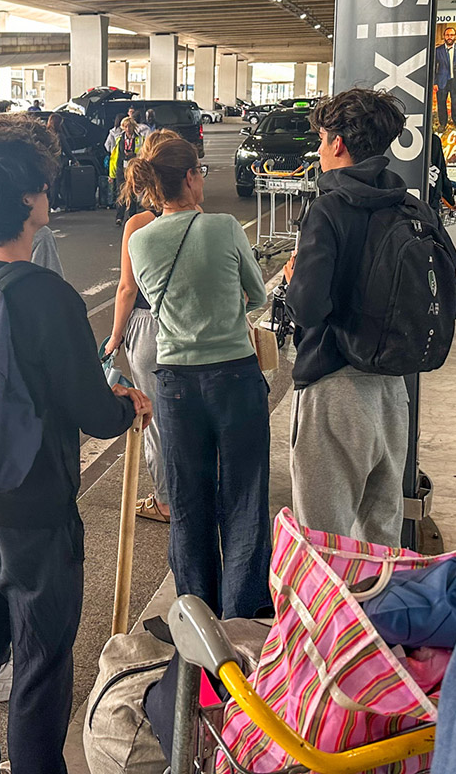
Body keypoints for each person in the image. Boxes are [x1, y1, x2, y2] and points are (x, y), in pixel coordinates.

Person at [0, 118, 151, 774]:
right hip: (31, 507)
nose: (50, 197)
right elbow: (89, 407)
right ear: (26, 199)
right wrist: (124, 406)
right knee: (41, 660)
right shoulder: (44, 297)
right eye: (44, 187)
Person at [284, 89, 456, 544]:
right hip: (392, 392)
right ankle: (378, 616)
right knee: (380, 541)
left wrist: (293, 278)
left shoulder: (329, 210)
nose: (321, 149)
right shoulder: (414, 208)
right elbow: (452, 295)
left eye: (323, 139)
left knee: (321, 541)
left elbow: (308, 309)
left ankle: (328, 619)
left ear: (339, 144)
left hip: (333, 388)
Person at [126, 130, 271, 619]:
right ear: (190, 177)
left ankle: (197, 615)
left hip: (174, 383)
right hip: (234, 374)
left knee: (189, 500)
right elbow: (258, 296)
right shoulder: (225, 227)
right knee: (244, 495)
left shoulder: (140, 240)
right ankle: (242, 614)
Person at [103, 185, 169, 522]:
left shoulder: (138, 223)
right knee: (185, 416)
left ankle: (165, 501)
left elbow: (128, 287)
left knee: (154, 419)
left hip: (147, 328)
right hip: (184, 327)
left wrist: (115, 336)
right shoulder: (199, 220)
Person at [109, 117, 147, 226]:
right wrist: (112, 174)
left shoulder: (139, 139)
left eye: (129, 126)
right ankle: (119, 217)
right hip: (122, 169)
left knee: (132, 192)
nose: (127, 128)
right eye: (125, 126)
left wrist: (133, 155)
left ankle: (132, 215)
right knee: (120, 192)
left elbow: (143, 154)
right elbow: (114, 157)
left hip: (133, 168)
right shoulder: (120, 139)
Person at [434, 26, 456, 130]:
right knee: (441, 103)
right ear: (444, 36)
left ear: (455, 37)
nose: (449, 37)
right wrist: (434, 82)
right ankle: (442, 124)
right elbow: (434, 67)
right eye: (447, 35)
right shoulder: (437, 50)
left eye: (452, 35)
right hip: (441, 81)